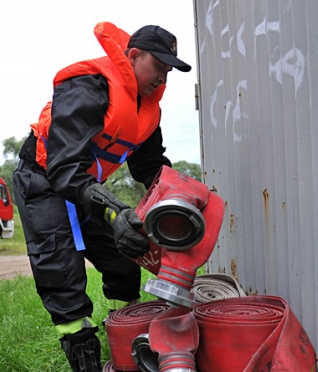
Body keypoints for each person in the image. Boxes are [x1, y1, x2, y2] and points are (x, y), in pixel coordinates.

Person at [12, 22, 191, 372]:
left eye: (169, 72)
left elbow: (150, 167)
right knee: (62, 274)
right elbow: (63, 169)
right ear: (134, 55)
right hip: (44, 178)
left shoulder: (148, 110)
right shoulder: (89, 87)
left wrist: (183, 200)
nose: (163, 79)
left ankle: (125, 345)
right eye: (159, 67)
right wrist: (114, 211)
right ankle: (85, 359)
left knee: (126, 255)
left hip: (80, 185)